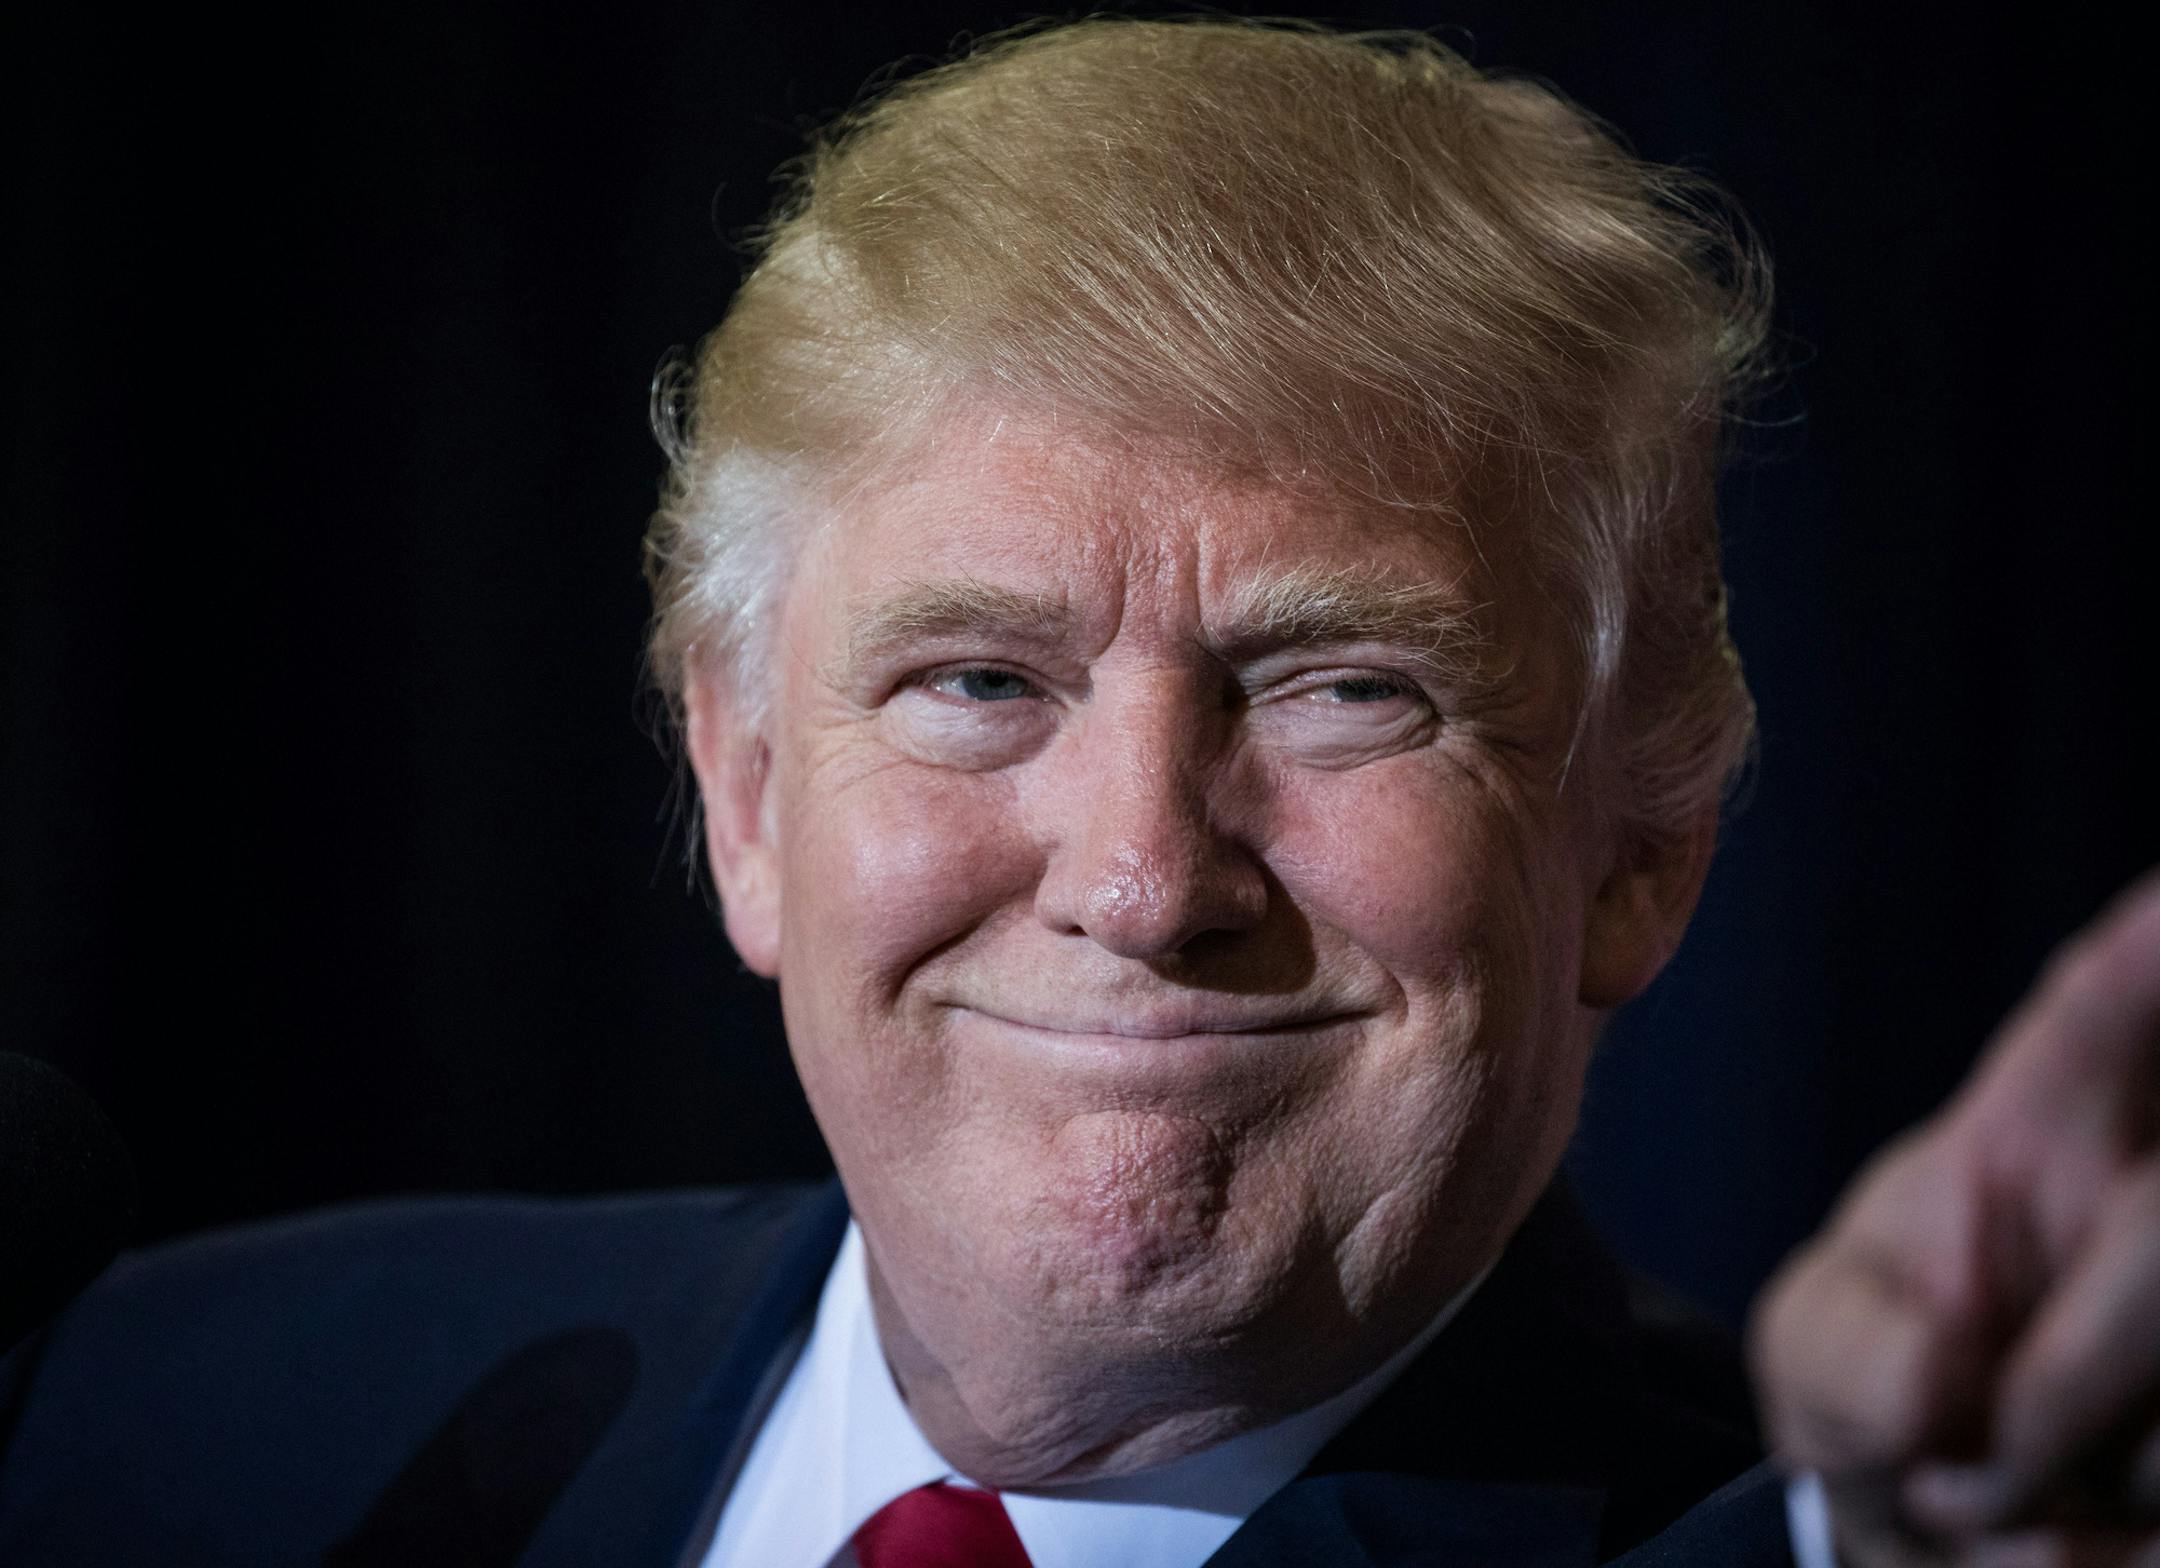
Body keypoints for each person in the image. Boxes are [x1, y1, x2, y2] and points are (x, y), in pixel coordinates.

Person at [1, 18, 2153, 1568]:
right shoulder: (158, 1409)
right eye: (974, 680)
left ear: (1644, 848)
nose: (1139, 874)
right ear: (746, 798)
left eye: (1342, 689)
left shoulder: (1812, 1536)